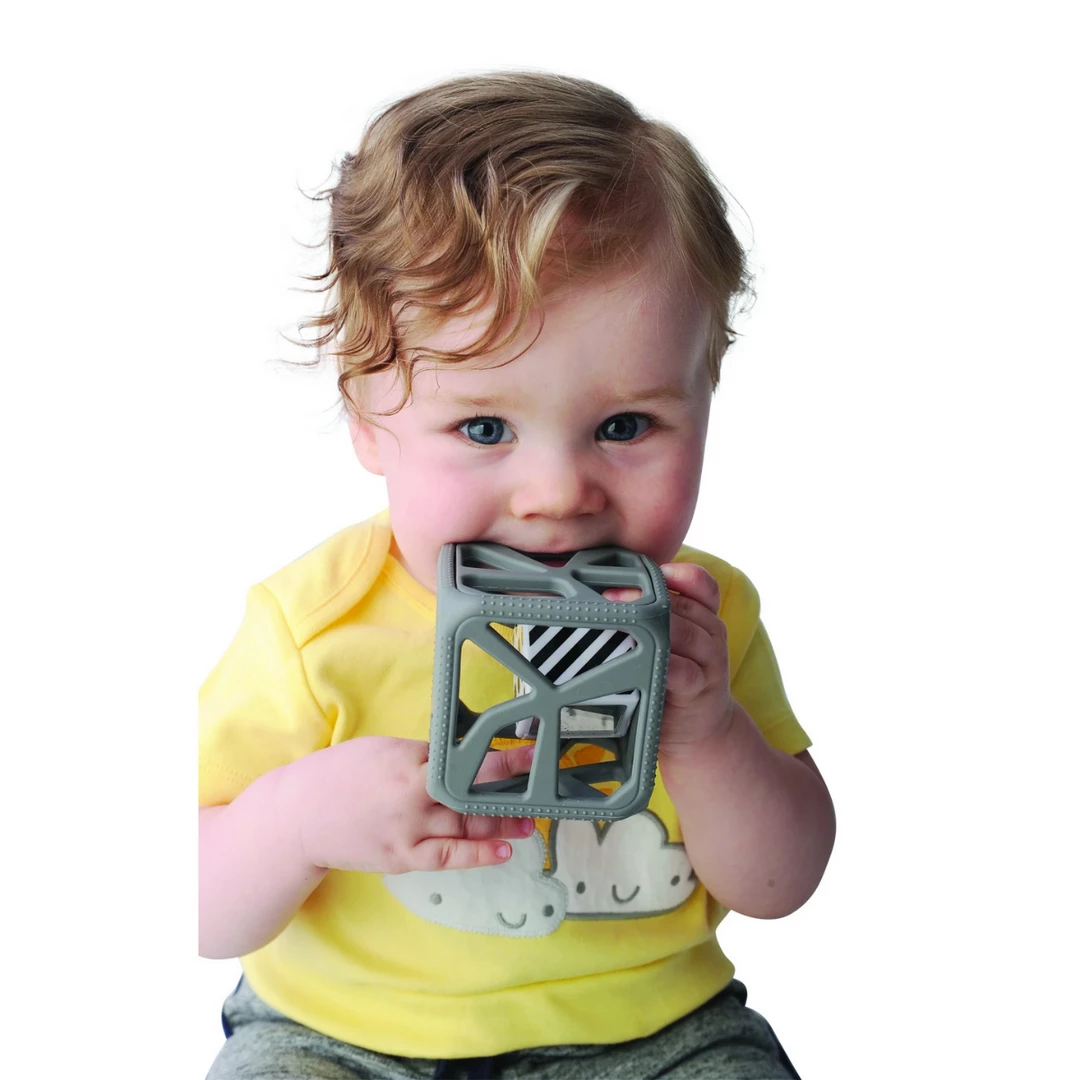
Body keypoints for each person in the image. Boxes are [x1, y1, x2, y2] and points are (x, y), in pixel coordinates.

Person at [199, 71, 836, 1080]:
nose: (556, 492)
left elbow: (779, 884)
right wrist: (296, 822)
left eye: (624, 425)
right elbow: (194, 905)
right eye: (485, 428)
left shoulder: (703, 620)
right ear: (368, 420)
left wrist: (711, 732)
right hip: (341, 1039)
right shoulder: (312, 628)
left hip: (652, 1037)